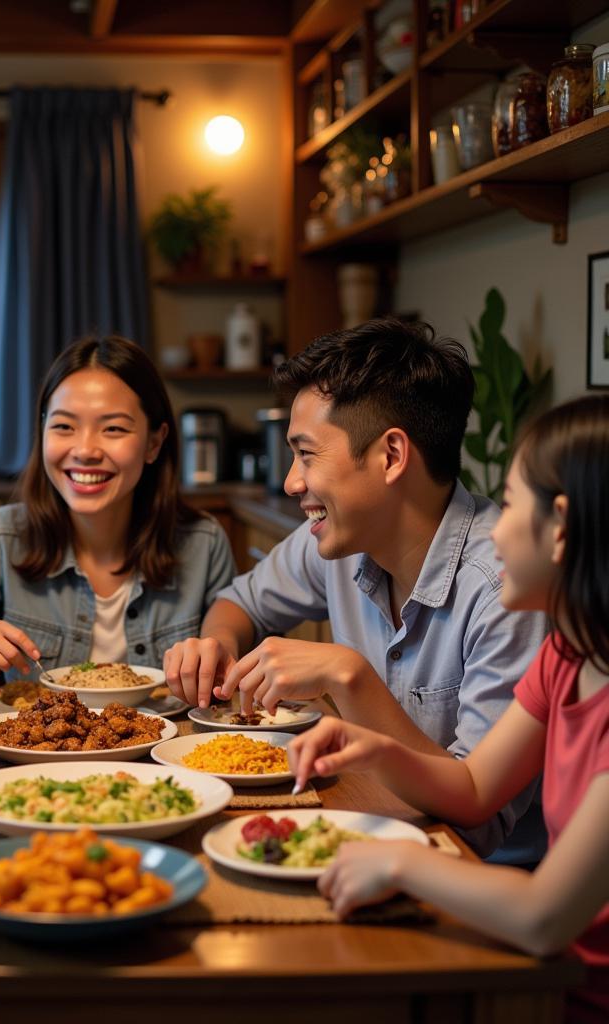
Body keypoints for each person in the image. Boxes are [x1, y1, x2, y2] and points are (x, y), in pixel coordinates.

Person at [163, 319, 545, 860]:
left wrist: (350, 677)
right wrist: (217, 646)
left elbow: (475, 818)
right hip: (367, 824)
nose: (293, 482)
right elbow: (240, 603)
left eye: (307, 454)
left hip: (484, 882)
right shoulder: (344, 537)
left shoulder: (508, 590)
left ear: (391, 456)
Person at [287, 394, 609, 1023]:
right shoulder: (566, 656)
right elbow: (472, 788)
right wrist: (373, 750)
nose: (494, 529)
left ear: (562, 526)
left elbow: (543, 917)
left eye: (511, 505)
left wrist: (401, 862)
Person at [0, 335, 236, 676]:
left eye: (113, 428)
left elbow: (229, 665)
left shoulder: (203, 543)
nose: (85, 450)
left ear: (153, 442)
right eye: (63, 426)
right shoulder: (2, 536)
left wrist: (216, 658)